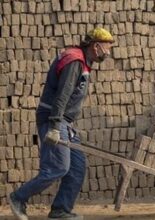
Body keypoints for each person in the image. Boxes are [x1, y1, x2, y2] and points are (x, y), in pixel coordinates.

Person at [8, 28, 114, 220]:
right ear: (96, 46)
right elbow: (62, 95)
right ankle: (18, 197)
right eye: (107, 48)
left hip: (66, 122)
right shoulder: (75, 62)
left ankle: (60, 210)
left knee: (77, 167)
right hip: (53, 118)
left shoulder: (83, 62)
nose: (108, 52)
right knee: (57, 167)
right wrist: (55, 127)